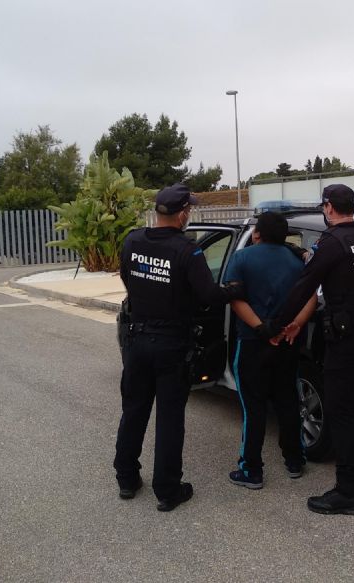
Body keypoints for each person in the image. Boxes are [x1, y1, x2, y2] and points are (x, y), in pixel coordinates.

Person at [114, 183, 243, 512]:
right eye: (190, 210)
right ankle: (168, 490)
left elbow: (127, 277)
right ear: (183, 213)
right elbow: (208, 296)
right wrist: (232, 290)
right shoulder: (187, 251)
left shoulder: (132, 240)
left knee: (134, 411)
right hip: (171, 344)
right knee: (170, 419)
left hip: (137, 340)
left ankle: (127, 478)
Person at [275, 184, 354, 516]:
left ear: (328, 208)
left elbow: (303, 287)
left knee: (341, 409)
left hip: (347, 333)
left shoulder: (332, 243)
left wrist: (277, 324)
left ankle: (348, 491)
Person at [222, 211, 317, 489]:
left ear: (258, 233)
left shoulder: (242, 258)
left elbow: (235, 298)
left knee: (253, 407)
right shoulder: (297, 261)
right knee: (287, 400)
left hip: (253, 343)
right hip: (288, 342)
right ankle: (295, 460)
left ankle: (251, 469)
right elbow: (310, 297)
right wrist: (295, 325)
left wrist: (262, 329)